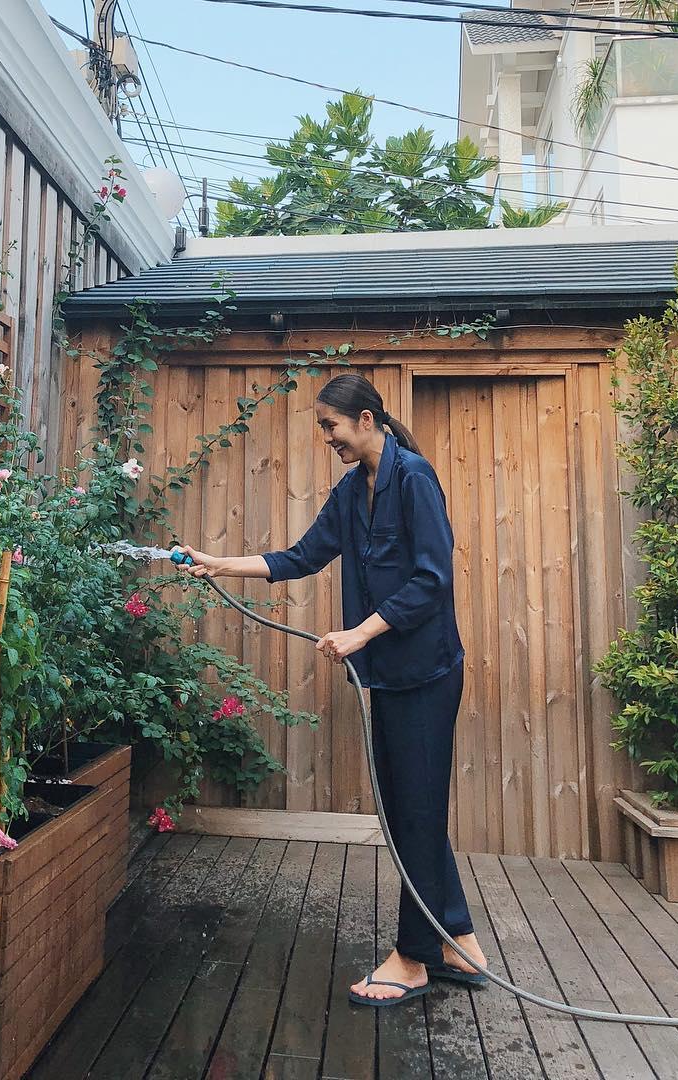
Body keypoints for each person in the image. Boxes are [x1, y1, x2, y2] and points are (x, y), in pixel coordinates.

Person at [177, 372, 487, 1007]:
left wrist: (359, 633)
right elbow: (301, 556)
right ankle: (456, 938)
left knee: (415, 812)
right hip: (389, 676)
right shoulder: (352, 491)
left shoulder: (414, 479)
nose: (328, 438)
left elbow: (432, 579)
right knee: (409, 808)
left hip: (427, 675)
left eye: (331, 425)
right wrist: (218, 565)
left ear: (366, 419)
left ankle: (414, 959)